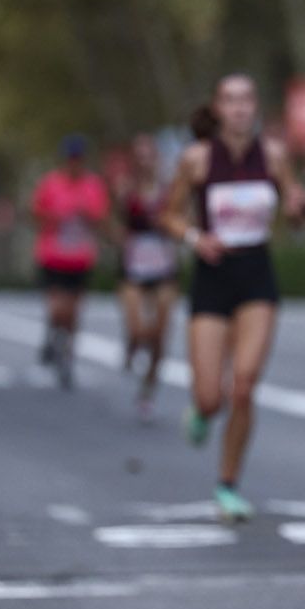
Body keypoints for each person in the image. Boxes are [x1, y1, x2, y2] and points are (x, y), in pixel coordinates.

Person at [160, 76, 305, 522]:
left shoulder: (274, 155)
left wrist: (298, 208)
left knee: (243, 387)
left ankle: (227, 485)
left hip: (256, 274)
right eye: (230, 100)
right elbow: (169, 215)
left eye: (246, 99)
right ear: (218, 108)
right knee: (211, 396)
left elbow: (294, 205)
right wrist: (195, 238)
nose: (239, 108)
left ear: (255, 107)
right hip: (212, 276)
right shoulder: (197, 159)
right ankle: (202, 411)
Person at [32, 135, 109, 390]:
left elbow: (101, 218)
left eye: (78, 159)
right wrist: (54, 217)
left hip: (80, 257)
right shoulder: (51, 183)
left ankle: (67, 357)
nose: (74, 163)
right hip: (53, 255)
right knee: (57, 309)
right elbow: (35, 213)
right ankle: (52, 334)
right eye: (71, 159)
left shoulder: (93, 185)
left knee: (73, 312)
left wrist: (86, 215)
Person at [115, 133, 179, 421]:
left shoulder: (170, 191)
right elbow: (109, 219)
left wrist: (173, 226)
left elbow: (184, 219)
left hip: (164, 269)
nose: (145, 162)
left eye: (149, 156)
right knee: (139, 329)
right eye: (139, 156)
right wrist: (119, 237)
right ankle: (131, 346)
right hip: (133, 270)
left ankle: (147, 391)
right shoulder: (125, 189)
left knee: (159, 338)